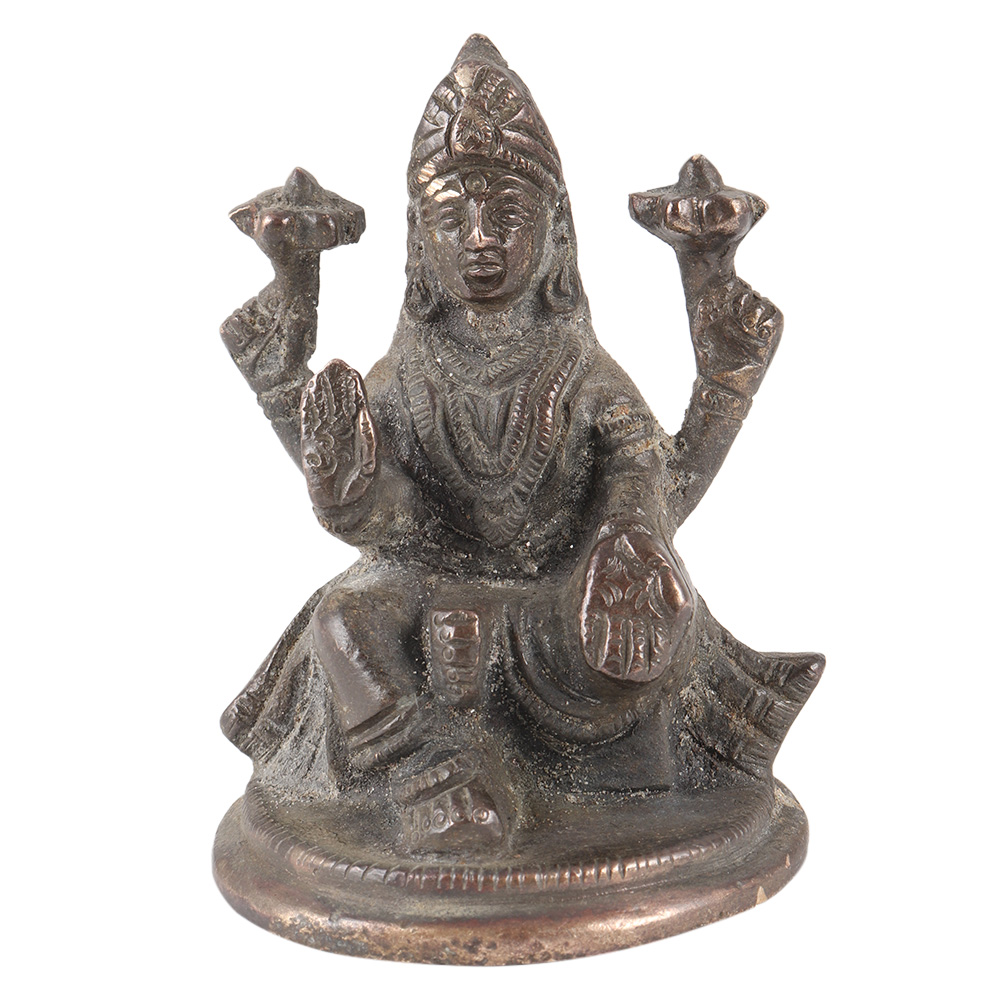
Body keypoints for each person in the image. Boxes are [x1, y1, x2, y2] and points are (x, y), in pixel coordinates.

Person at [219, 35, 821, 852]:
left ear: (555, 231)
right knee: (344, 621)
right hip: (430, 591)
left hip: (554, 606)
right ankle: (432, 781)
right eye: (452, 217)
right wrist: (348, 488)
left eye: (507, 215)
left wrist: (630, 530)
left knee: (644, 624)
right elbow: (398, 527)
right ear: (419, 239)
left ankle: (548, 779)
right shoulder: (406, 374)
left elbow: (645, 473)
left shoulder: (580, 371)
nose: (480, 239)